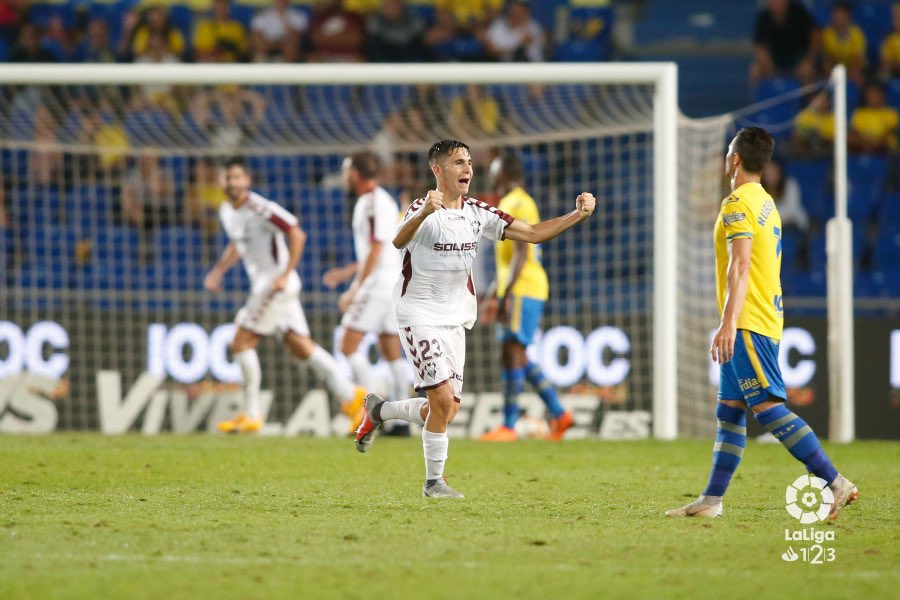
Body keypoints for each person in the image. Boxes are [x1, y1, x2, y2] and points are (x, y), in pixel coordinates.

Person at [354, 139, 596, 499]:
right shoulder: (423, 207)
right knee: (440, 398)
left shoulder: (479, 212)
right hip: (418, 313)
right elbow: (397, 240)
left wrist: (578, 215)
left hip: (456, 318)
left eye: (468, 162)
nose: (467, 168)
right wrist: (422, 214)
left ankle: (381, 410)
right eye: (457, 163)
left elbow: (531, 234)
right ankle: (434, 483)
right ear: (438, 171)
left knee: (446, 409)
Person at [666, 127, 858, 519]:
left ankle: (834, 481)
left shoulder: (737, 202)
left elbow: (740, 266)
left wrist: (727, 323)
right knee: (730, 410)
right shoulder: (766, 202)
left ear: (734, 158)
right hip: (761, 315)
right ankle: (711, 500)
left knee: (768, 408)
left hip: (748, 320)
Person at [204, 157, 366, 433]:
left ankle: (251, 414)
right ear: (221, 182)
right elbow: (237, 244)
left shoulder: (260, 207)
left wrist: (285, 273)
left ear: (247, 181)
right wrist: (219, 269)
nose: (232, 183)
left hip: (275, 286)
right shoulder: (226, 211)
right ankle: (354, 400)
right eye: (227, 178)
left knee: (240, 343)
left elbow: (296, 233)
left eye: (237, 177)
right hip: (269, 287)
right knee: (301, 346)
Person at [478, 154, 574, 442]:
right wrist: (495, 292)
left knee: (512, 353)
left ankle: (509, 426)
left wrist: (506, 294)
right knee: (515, 353)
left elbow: (522, 251)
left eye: (494, 171)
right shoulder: (509, 203)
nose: (491, 177)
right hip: (518, 286)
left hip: (525, 287)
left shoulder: (519, 202)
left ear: (505, 173)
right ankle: (560, 414)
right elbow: (507, 261)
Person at [321, 151, 408, 431]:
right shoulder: (381, 200)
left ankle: (372, 412)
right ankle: (403, 423)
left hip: (376, 285)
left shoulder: (371, 203)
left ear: (356, 174)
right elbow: (378, 250)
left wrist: (354, 288)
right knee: (391, 351)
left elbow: (377, 247)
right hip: (390, 283)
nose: (345, 177)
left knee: (346, 345)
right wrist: (348, 272)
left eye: (347, 171)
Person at [750, 0, 818, 85]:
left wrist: (809, 59)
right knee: (755, 70)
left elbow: (815, 35)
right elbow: (759, 46)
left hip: (798, 58)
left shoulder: (799, 12)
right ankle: (761, 97)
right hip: (775, 59)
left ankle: (809, 97)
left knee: (808, 70)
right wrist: (768, 66)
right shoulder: (764, 17)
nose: (777, 3)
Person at [821, 1, 866, 85]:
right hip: (832, 70)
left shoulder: (856, 33)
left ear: (848, 16)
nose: (838, 17)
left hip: (851, 69)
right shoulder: (827, 33)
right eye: (836, 14)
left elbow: (858, 59)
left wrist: (846, 74)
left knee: (858, 77)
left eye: (841, 14)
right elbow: (827, 59)